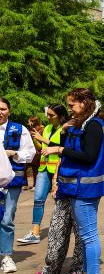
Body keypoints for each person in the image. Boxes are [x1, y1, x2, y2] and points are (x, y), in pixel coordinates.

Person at [43, 88, 104, 274]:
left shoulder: (93, 125)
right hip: (77, 188)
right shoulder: (83, 123)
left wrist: (60, 150)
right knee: (85, 235)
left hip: (86, 189)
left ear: (84, 103)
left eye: (72, 104)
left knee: (89, 236)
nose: (70, 109)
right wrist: (64, 132)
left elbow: (89, 157)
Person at [18, 104, 69, 246]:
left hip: (58, 169)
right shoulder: (47, 128)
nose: (48, 117)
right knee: (38, 199)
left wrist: (44, 139)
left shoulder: (65, 128)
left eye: (51, 115)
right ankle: (35, 232)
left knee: (60, 201)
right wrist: (36, 139)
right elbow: (43, 148)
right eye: (48, 114)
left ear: (60, 115)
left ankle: (64, 228)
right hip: (43, 168)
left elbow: (62, 148)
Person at [0, 97, 37, 273]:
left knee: (7, 218)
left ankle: (7, 256)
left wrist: (13, 153)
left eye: (3, 109)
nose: (0, 112)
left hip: (12, 180)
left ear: (9, 110)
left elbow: (30, 153)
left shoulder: (19, 129)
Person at [26, 116, 44, 190]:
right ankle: (26, 183)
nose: (28, 123)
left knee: (35, 168)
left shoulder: (40, 129)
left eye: (29, 121)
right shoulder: (30, 129)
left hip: (38, 151)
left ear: (33, 122)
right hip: (30, 151)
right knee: (26, 167)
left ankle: (36, 185)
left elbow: (38, 140)